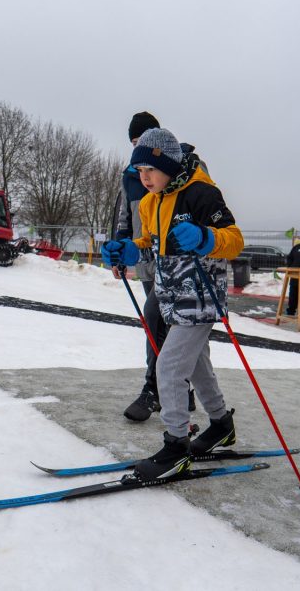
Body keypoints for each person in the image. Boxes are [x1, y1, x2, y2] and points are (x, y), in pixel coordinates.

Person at [101, 128, 244, 480]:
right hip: (171, 296)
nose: (144, 178)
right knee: (195, 365)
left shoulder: (201, 193)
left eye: (150, 169)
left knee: (168, 366)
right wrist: (130, 250)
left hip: (200, 294)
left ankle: (176, 445)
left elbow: (235, 240)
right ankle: (221, 424)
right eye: (139, 172)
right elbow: (151, 243)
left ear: (167, 164)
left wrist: (207, 237)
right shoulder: (152, 202)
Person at [114, 111, 168, 421]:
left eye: (145, 141)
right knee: (158, 326)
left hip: (174, 265)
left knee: (160, 322)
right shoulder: (131, 175)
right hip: (146, 262)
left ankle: (155, 389)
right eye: (135, 143)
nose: (139, 149)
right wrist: (121, 251)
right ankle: (173, 390)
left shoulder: (176, 170)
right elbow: (125, 217)